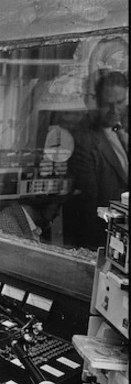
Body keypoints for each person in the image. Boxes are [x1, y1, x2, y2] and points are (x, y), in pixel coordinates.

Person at [66, 70, 128, 250]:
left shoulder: (121, 131)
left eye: (120, 102)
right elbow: (89, 207)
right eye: (108, 104)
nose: (115, 110)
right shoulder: (84, 140)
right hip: (103, 240)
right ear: (96, 102)